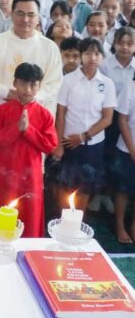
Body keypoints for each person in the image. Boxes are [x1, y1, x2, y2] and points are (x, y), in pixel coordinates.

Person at [0, 63, 58, 238]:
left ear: (39, 86)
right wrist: (17, 128)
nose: (27, 89)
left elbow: (50, 145)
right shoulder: (3, 110)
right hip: (5, 171)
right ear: (14, 83)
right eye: (23, 83)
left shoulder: (44, 114)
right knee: (0, 207)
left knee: (28, 211)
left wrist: (28, 130)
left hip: (31, 172)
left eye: (33, 84)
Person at [49, 38, 116, 213]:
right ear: (81, 56)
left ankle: (78, 222)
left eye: (97, 53)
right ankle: (62, 222)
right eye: (87, 53)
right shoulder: (68, 81)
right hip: (68, 142)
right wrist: (58, 145)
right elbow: (61, 113)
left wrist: (83, 136)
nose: (92, 57)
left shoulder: (107, 84)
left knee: (86, 186)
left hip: (92, 144)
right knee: (65, 184)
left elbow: (107, 118)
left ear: (102, 57)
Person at [0, 0, 64, 113]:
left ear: (38, 18)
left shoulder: (49, 47)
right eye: (20, 14)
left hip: (35, 113)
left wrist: (30, 97)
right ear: (12, 15)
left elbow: (54, 84)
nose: (25, 19)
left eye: (31, 15)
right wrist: (7, 92)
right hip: (0, 111)